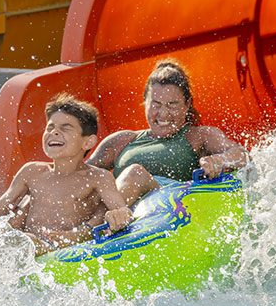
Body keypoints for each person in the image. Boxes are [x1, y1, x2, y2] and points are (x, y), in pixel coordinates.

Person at [0, 94, 133, 256]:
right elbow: (3, 206)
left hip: (61, 249)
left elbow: (121, 210)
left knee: (23, 241)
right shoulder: (32, 171)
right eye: (50, 127)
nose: (54, 132)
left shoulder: (97, 177)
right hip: (29, 241)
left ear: (88, 142)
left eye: (65, 128)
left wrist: (117, 215)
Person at [87, 60, 248, 206]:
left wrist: (219, 160)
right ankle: (90, 226)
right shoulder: (121, 140)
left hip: (168, 208)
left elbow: (243, 155)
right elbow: (79, 174)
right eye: (156, 105)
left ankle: (99, 225)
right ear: (145, 102)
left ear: (187, 105)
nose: (163, 114)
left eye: (172, 105)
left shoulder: (198, 136)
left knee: (135, 174)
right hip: (121, 209)